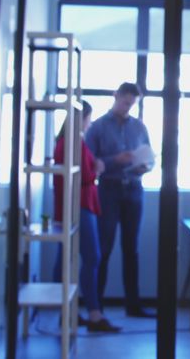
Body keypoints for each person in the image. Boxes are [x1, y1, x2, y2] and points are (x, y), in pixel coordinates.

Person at [85, 82, 155, 318]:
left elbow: (150, 157)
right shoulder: (97, 127)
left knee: (131, 249)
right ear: (116, 96)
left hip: (134, 189)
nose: (128, 107)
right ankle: (97, 308)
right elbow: (90, 162)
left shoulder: (139, 126)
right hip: (109, 190)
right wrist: (117, 159)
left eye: (132, 104)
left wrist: (144, 166)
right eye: (125, 102)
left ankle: (132, 306)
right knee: (103, 249)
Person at [52, 100, 121, 332]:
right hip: (80, 206)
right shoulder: (72, 143)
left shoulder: (68, 141)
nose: (90, 123)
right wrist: (98, 168)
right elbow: (83, 176)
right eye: (88, 118)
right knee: (92, 257)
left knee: (66, 260)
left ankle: (68, 313)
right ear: (81, 119)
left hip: (74, 206)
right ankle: (93, 314)